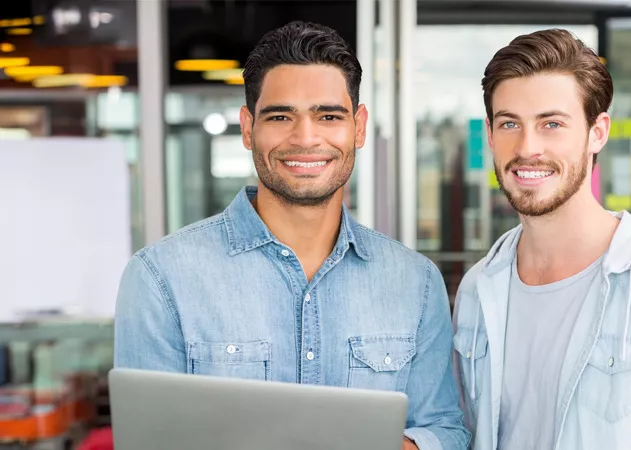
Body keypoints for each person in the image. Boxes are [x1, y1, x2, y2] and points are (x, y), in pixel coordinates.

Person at [113, 21, 469, 450]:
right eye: (281, 116)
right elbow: (147, 442)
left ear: (358, 127)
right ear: (248, 129)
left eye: (328, 116)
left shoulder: (417, 282)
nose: (305, 138)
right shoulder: (160, 278)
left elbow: (444, 430)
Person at [452, 28, 631, 450]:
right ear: (491, 137)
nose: (528, 147)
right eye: (510, 123)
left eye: (552, 124)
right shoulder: (479, 289)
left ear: (597, 132)